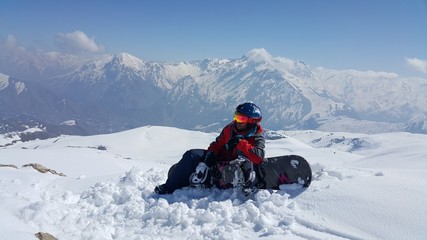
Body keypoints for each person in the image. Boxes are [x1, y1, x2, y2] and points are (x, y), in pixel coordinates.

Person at [154, 102, 265, 195]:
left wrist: (241, 143)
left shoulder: (257, 136)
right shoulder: (230, 129)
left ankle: (247, 180)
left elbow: (258, 157)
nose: (237, 121)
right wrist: (209, 156)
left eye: (241, 118)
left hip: (238, 166)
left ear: (252, 121)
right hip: (218, 165)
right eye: (236, 116)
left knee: (245, 157)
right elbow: (217, 144)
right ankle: (169, 187)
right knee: (192, 155)